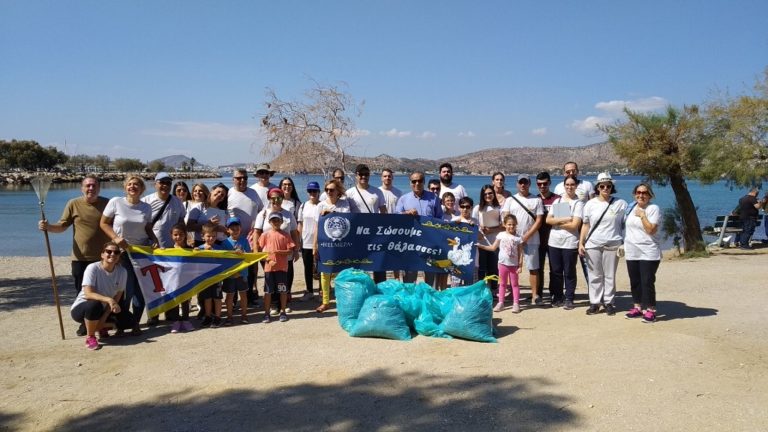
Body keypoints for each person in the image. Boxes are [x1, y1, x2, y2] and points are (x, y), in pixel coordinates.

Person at [38, 174, 110, 336]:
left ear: (99, 187)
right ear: (82, 188)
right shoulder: (73, 204)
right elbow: (62, 226)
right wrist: (48, 227)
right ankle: (85, 324)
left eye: (94, 185)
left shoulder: (107, 203)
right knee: (82, 294)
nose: (91, 188)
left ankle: (103, 323)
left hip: (104, 259)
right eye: (88, 185)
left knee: (104, 292)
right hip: (81, 258)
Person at [100, 175, 158, 334]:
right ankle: (121, 325)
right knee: (126, 290)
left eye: (136, 185)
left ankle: (135, 324)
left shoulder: (146, 207)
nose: (133, 187)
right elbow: (103, 223)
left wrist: (154, 239)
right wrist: (116, 238)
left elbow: (147, 228)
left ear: (142, 189)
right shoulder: (116, 202)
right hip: (123, 253)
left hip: (141, 253)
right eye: (130, 184)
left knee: (140, 290)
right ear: (125, 187)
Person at [578, 173, 628, 316]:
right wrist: (581, 243)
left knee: (610, 275)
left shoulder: (621, 204)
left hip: (613, 244)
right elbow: (586, 225)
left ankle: (609, 302)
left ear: (612, 187)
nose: (605, 188)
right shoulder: (590, 204)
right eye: (602, 186)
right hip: (593, 244)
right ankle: (595, 302)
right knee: (595, 275)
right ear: (597, 187)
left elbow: (627, 224)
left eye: (608, 186)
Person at [70, 242, 135, 350]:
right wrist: (108, 299)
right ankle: (90, 336)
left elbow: (118, 296)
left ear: (119, 256)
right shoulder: (93, 268)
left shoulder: (122, 271)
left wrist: (104, 318)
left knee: (129, 321)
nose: (112, 254)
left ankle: (101, 326)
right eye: (109, 251)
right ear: (102, 254)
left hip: (105, 308)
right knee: (94, 305)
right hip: (83, 308)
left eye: (116, 252)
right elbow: (88, 294)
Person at [142, 172, 187, 325]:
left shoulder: (177, 202)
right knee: (153, 285)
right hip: (153, 252)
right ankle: (153, 316)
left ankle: (172, 314)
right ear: (155, 184)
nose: (165, 186)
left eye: (168, 183)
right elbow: (143, 225)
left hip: (172, 252)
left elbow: (181, 223)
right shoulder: (146, 201)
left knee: (171, 284)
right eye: (162, 182)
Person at [252, 188, 301, 316]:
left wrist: (296, 250)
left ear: (282, 199)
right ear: (269, 199)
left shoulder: (288, 214)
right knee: (270, 278)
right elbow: (257, 232)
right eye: (273, 198)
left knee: (286, 277)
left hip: (285, 254)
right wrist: (256, 250)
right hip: (268, 254)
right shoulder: (263, 214)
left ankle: (284, 304)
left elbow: (294, 232)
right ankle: (274, 304)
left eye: (279, 198)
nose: (276, 201)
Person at [502, 174, 544, 305]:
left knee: (533, 267)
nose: (523, 185)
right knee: (510, 266)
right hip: (513, 240)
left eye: (525, 182)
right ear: (517, 184)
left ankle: (534, 295)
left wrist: (527, 236)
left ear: (529, 184)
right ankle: (512, 294)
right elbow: (505, 218)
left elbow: (539, 221)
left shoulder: (536, 200)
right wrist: (512, 236)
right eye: (520, 182)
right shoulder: (510, 200)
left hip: (531, 239)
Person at [623, 183, 662, 323]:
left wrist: (642, 215)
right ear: (634, 194)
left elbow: (651, 230)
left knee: (647, 281)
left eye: (644, 193)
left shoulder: (653, 209)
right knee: (635, 281)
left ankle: (651, 310)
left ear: (650, 195)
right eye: (638, 192)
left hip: (648, 251)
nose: (641, 195)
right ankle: (637, 307)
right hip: (632, 251)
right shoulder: (631, 207)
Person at [396, 171, 443, 284]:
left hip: (429, 243)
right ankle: (410, 299)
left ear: (424, 182)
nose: (417, 183)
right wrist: (406, 213)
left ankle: (427, 299)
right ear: (410, 183)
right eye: (414, 181)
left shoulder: (434, 198)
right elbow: (395, 217)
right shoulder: (403, 199)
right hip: (410, 244)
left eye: (420, 181)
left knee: (430, 276)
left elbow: (440, 218)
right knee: (410, 277)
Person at [546, 175, 584, 310]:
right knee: (555, 271)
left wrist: (558, 221)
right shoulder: (558, 201)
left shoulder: (578, 203)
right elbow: (548, 220)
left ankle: (569, 298)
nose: (569, 187)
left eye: (572, 184)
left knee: (569, 271)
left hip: (570, 243)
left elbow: (575, 225)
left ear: (576, 186)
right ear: (564, 186)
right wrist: (566, 220)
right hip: (554, 242)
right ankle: (557, 296)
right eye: (567, 184)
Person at [313, 179, 351, 312]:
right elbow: (316, 227)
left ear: (338, 191)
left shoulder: (344, 204)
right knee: (325, 272)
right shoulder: (320, 205)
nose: (329, 192)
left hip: (341, 243)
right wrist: (315, 245)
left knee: (341, 272)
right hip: (325, 244)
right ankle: (325, 302)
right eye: (327, 190)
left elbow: (347, 220)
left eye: (332, 190)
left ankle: (341, 300)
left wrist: (331, 213)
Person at [345, 164, 387, 283]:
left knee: (378, 265)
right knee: (359, 267)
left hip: (375, 235)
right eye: (361, 174)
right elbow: (345, 213)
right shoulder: (349, 193)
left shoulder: (377, 192)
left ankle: (380, 291)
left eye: (366, 174)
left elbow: (384, 212)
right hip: (357, 236)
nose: (364, 176)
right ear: (356, 175)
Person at [228, 168, 264, 306]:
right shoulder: (229, 193)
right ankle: (234, 299)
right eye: (238, 178)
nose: (242, 180)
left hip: (251, 238)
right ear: (233, 180)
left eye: (244, 178)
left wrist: (257, 225)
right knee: (234, 270)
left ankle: (249, 297)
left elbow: (261, 210)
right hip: (234, 238)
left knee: (250, 270)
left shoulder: (253, 193)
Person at [478, 214, 523, 313]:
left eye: (513, 225)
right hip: (502, 264)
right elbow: (493, 248)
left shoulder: (518, 238)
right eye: (509, 224)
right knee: (502, 284)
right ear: (505, 225)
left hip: (514, 265)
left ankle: (516, 303)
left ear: (516, 225)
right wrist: (481, 246)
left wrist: (520, 265)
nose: (511, 226)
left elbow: (520, 252)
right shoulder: (501, 235)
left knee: (514, 284)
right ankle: (500, 302)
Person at [259, 212, 297, 323]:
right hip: (269, 269)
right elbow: (261, 252)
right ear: (269, 222)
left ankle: (283, 312)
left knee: (283, 291)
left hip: (282, 268)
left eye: (277, 220)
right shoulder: (265, 235)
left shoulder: (286, 235)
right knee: (268, 292)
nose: (276, 222)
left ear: (281, 222)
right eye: (273, 220)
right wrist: (268, 260)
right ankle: (266, 313)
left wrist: (279, 252)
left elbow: (290, 251)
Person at [534, 172, 560, 305]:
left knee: (555, 269)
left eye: (545, 183)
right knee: (537, 268)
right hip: (537, 240)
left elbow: (563, 220)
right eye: (539, 184)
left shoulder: (558, 199)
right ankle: (537, 293)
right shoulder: (534, 199)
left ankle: (555, 294)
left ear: (550, 183)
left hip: (555, 240)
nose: (542, 186)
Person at [197, 222, 229, 328]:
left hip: (216, 278)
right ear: (203, 236)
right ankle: (208, 316)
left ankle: (218, 317)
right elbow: (193, 259)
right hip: (204, 279)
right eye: (208, 236)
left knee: (217, 298)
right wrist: (197, 252)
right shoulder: (199, 249)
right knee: (207, 298)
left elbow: (224, 259)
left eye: (213, 236)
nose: (211, 238)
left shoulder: (218, 248)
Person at [474, 184, 503, 294]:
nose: (488, 195)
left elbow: (504, 226)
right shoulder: (478, 208)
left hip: (495, 242)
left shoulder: (499, 208)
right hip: (481, 242)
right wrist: (480, 228)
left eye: (490, 193)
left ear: (493, 194)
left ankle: (493, 290)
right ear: (482, 195)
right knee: (482, 268)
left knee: (494, 268)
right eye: (485, 194)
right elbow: (473, 224)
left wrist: (491, 230)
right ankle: (482, 290)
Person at [222, 217, 251, 325]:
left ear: (240, 228)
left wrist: (243, 252)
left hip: (242, 274)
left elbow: (250, 255)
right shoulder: (225, 243)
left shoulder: (245, 240)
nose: (234, 230)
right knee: (229, 296)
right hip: (230, 274)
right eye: (232, 228)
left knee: (243, 295)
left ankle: (244, 315)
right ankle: (229, 317)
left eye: (237, 227)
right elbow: (222, 258)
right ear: (227, 230)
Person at [297, 181, 321, 301]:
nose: (312, 193)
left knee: (321, 267)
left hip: (320, 242)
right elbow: (300, 224)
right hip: (306, 241)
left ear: (318, 192)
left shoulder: (322, 206)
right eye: (310, 191)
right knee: (307, 267)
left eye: (315, 191)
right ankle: (310, 291)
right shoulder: (303, 205)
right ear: (307, 192)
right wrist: (298, 240)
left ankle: (322, 290)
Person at [169, 223, 194, 333]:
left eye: (181, 234)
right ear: (171, 235)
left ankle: (186, 320)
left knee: (185, 301)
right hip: (172, 281)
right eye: (175, 235)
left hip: (186, 281)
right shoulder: (167, 251)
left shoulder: (190, 250)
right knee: (174, 301)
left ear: (185, 235)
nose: (178, 237)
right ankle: (175, 322)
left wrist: (197, 251)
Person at [450, 196, 478, 287]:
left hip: (472, 258)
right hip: (457, 259)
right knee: (455, 285)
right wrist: (454, 227)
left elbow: (481, 237)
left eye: (467, 207)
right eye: (462, 206)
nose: (465, 209)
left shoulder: (476, 221)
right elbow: (448, 238)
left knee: (470, 285)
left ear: (471, 208)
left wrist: (474, 228)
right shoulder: (454, 220)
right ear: (459, 207)